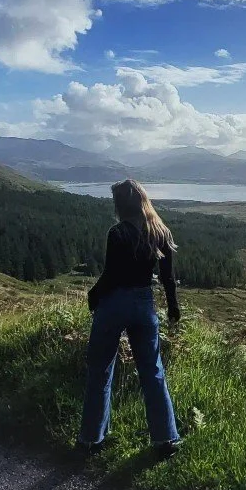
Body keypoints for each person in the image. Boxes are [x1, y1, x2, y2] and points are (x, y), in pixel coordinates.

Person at [77, 179, 181, 458]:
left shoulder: (118, 233)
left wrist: (93, 295)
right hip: (144, 304)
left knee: (100, 369)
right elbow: (168, 278)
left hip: (115, 303)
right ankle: (165, 440)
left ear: (121, 204)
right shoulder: (159, 230)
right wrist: (173, 307)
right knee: (153, 371)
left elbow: (111, 275)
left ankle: (91, 439)